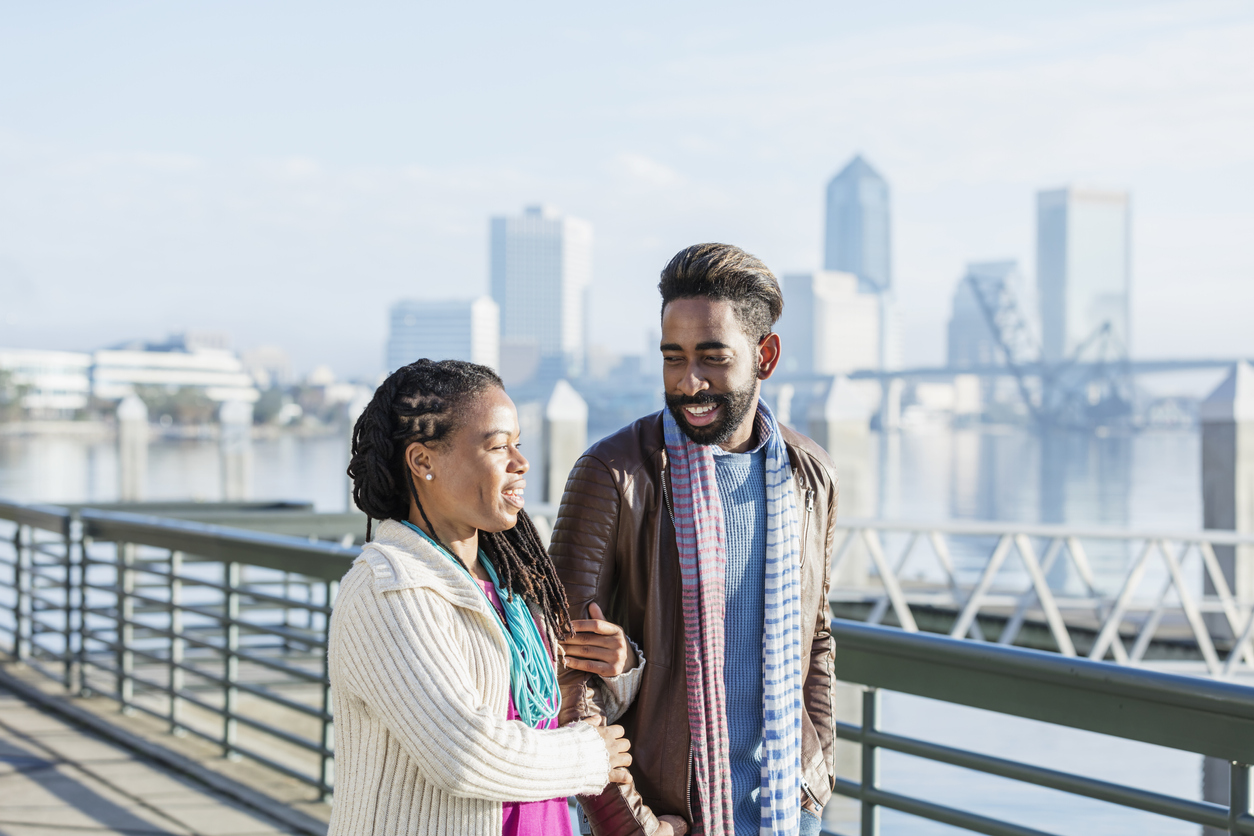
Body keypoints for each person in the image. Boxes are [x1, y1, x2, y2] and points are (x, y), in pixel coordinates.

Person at [552, 244, 839, 836]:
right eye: (673, 358)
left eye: (713, 358)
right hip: (662, 815)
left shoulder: (810, 476)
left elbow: (817, 636)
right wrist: (630, 824)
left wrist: (818, 776)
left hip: (786, 808)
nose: (689, 382)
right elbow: (562, 669)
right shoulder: (613, 474)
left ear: (766, 355)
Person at [328, 359, 639, 836]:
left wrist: (619, 667)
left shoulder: (515, 585)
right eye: (498, 446)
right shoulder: (388, 588)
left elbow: (552, 713)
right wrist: (591, 755)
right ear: (423, 461)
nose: (521, 462)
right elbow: (464, 754)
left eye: (518, 443)